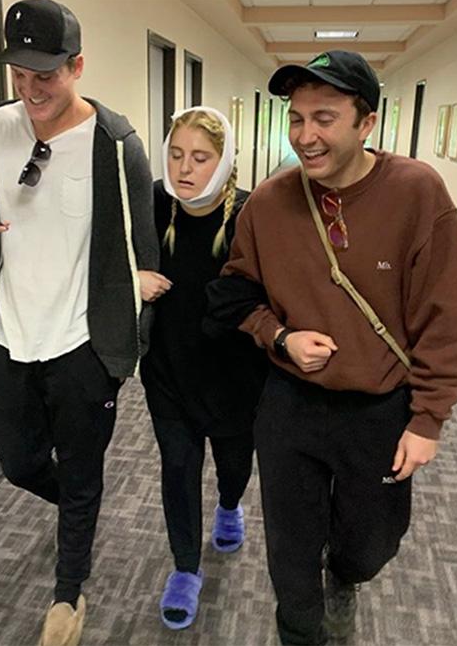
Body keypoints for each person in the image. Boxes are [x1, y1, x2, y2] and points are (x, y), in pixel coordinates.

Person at [207, 50, 457, 645]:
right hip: (290, 405)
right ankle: (300, 631)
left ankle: (346, 576)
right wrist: (280, 336)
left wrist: (428, 418)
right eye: (296, 118)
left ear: (366, 123)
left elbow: (450, 314)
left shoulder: (416, 193)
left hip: (379, 409)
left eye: (324, 118)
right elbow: (235, 292)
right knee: (290, 553)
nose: (305, 135)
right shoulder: (269, 203)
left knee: (369, 546)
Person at [0, 0, 157, 645]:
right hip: (12, 336)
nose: (30, 89)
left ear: (77, 66)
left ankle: (68, 593)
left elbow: (142, 255)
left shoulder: (115, 145)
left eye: (45, 75)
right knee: (17, 462)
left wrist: (121, 356)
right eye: (19, 74)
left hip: (81, 344)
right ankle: (80, 506)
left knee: (83, 467)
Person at [139, 106, 266, 631]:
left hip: (237, 375)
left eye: (199, 157)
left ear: (225, 160)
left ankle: (230, 505)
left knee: (234, 464)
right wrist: (132, 277)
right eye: (175, 154)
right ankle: (186, 569)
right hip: (169, 372)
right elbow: (104, 255)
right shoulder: (151, 202)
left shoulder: (253, 214)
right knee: (178, 467)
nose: (184, 168)